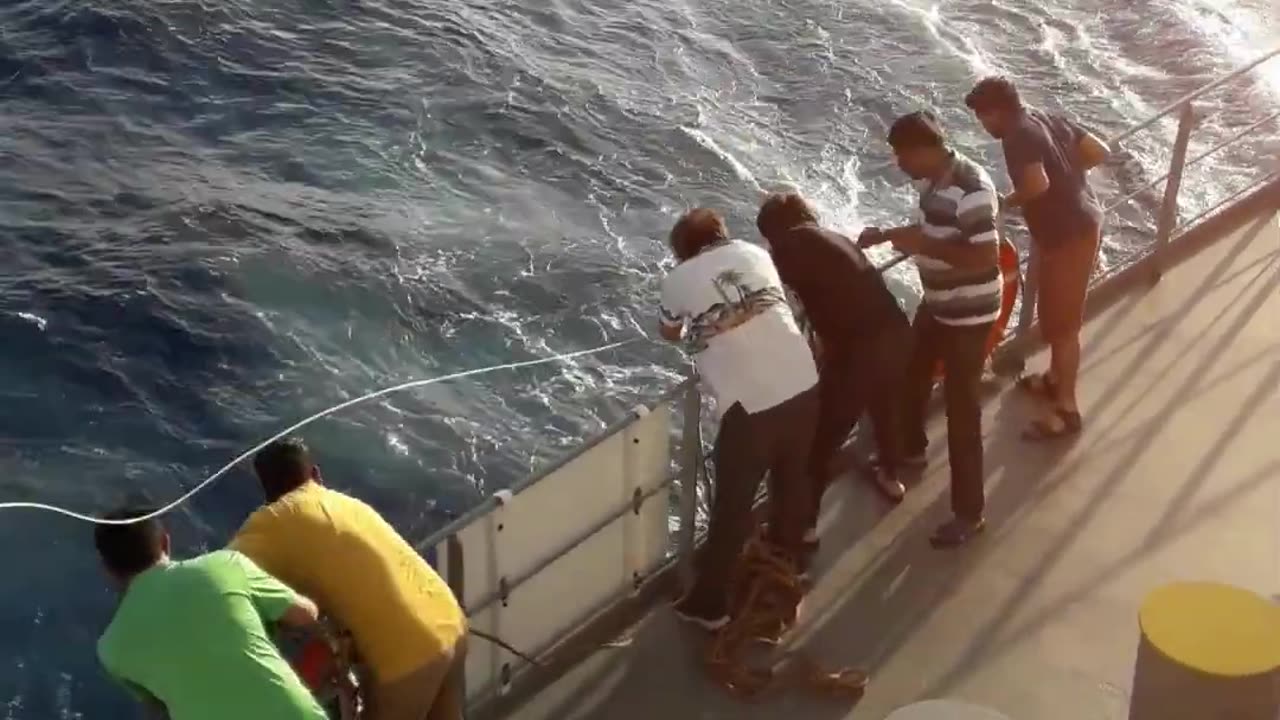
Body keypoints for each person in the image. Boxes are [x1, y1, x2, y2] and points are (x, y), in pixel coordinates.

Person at [658, 207, 820, 628]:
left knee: (732, 507)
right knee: (792, 477)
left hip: (752, 407)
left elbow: (669, 331)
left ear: (682, 252)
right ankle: (792, 562)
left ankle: (709, 605)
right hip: (805, 380)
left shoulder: (677, 279)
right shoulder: (754, 252)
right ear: (721, 234)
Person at [230, 438, 468, 720]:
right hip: (452, 622)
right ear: (316, 475)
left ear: (267, 494)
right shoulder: (348, 503)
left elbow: (220, 571)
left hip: (408, 659)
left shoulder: (274, 520)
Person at [859, 111, 1002, 548]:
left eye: (902, 156)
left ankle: (969, 513)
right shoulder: (934, 183)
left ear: (924, 151)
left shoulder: (971, 190)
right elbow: (932, 229)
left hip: (968, 316)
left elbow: (986, 257)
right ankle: (912, 448)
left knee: (962, 413)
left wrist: (922, 245)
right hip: (939, 305)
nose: (899, 164)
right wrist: (888, 235)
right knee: (911, 371)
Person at [965, 76, 1111, 440]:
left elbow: (1037, 185)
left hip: (1068, 236)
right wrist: (1070, 180)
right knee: (1053, 318)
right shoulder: (1046, 118)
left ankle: (1066, 409)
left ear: (996, 111)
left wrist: (1004, 203)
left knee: (1063, 328)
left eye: (983, 117)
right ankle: (1053, 379)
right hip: (1082, 222)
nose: (983, 126)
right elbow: (1098, 151)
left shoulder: (1017, 137)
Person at [756, 192, 913, 522]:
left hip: (858, 354)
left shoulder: (789, 247)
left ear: (774, 231)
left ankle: (804, 526)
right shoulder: (834, 238)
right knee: (885, 409)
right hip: (896, 335)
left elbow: (772, 300)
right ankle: (891, 475)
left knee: (819, 443)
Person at [94, 507, 330, 720]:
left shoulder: (111, 650)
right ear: (165, 542)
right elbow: (306, 615)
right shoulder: (225, 565)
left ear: (107, 570)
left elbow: (157, 711)